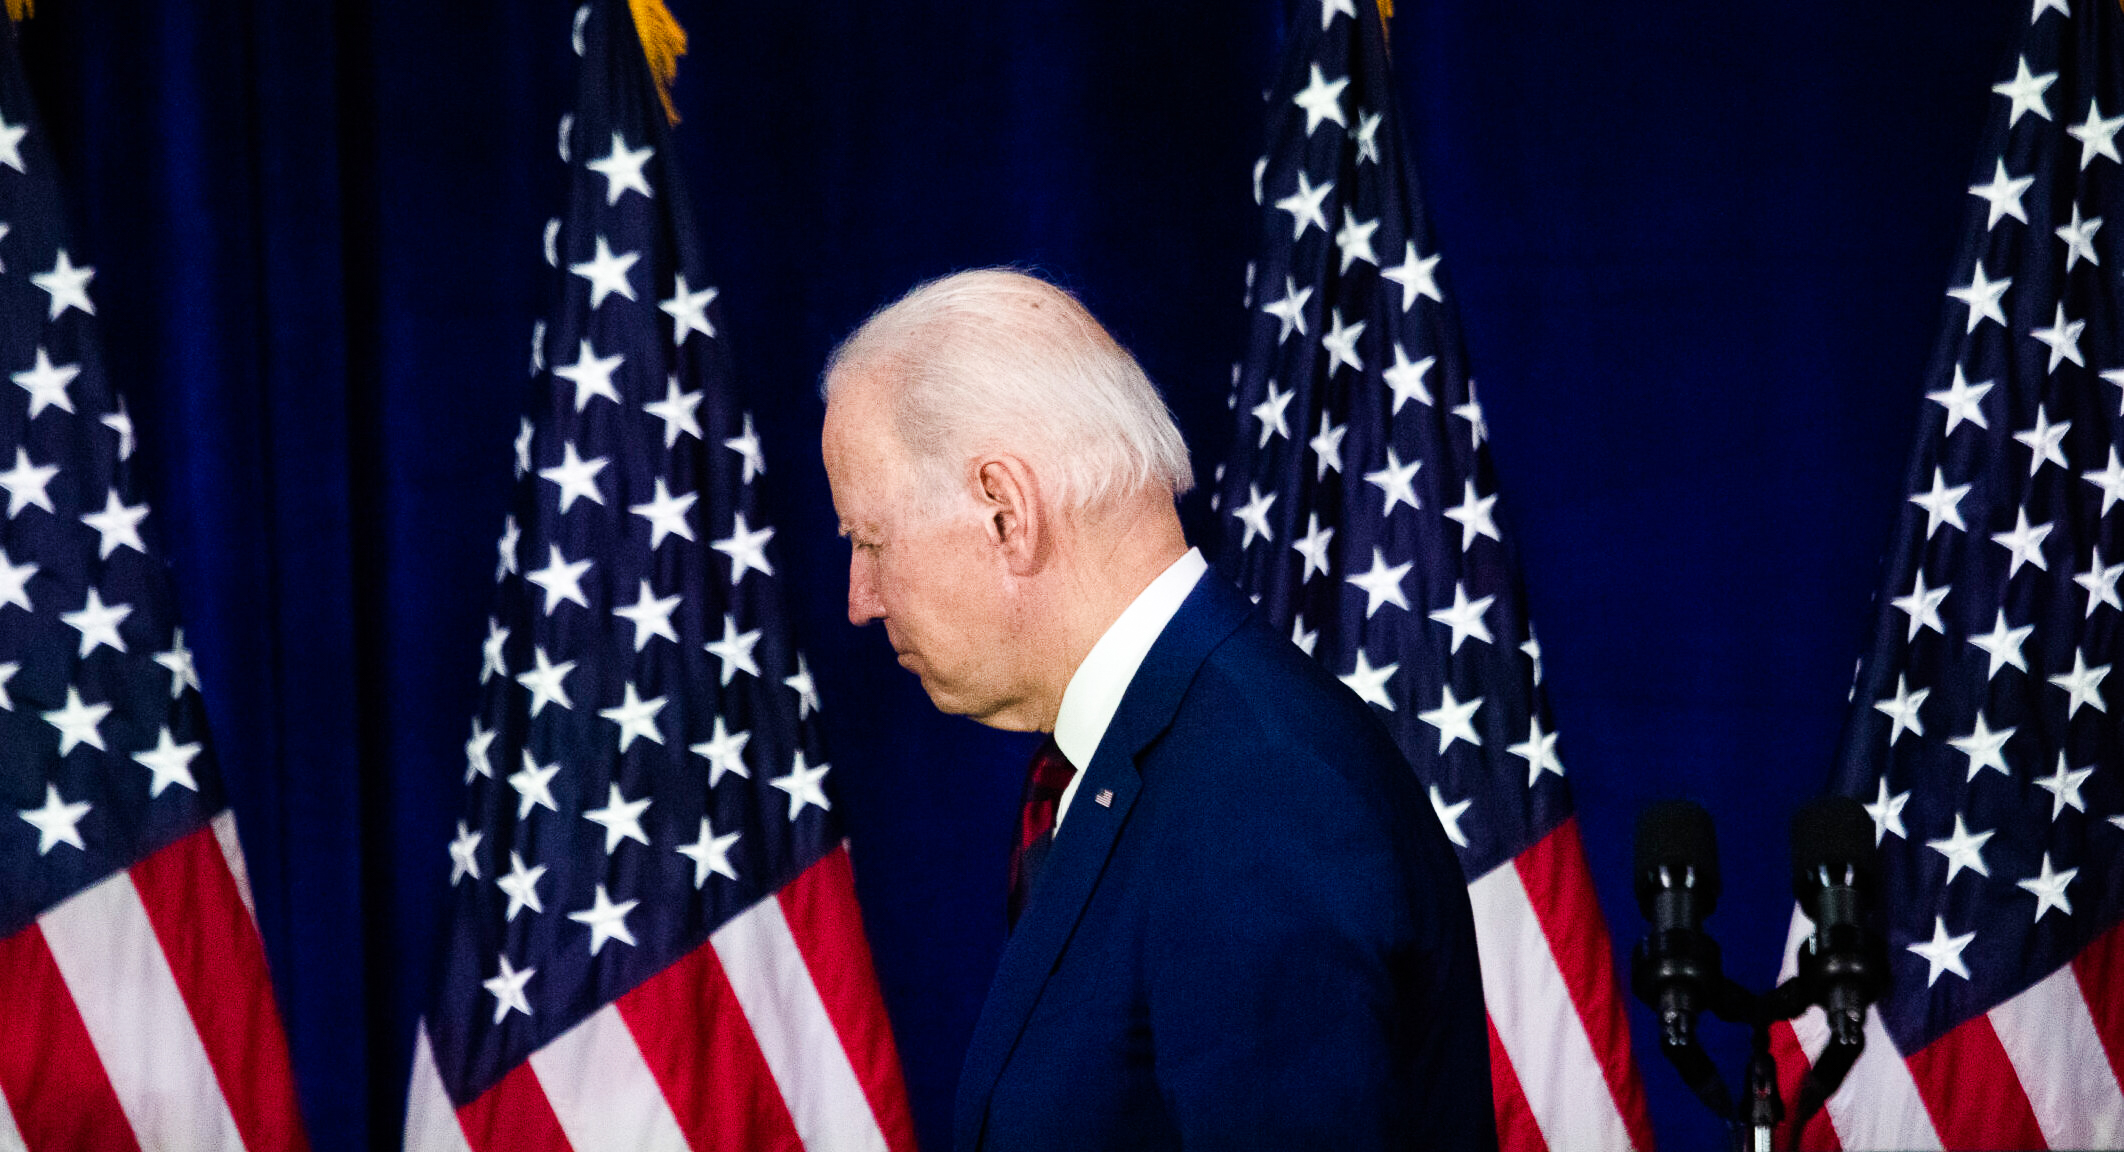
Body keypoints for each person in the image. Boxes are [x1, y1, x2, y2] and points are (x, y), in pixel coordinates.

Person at [820, 269, 1497, 1151]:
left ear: (1005, 511)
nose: (860, 599)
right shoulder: (1156, 758)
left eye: (871, 540)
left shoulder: (1256, 794)